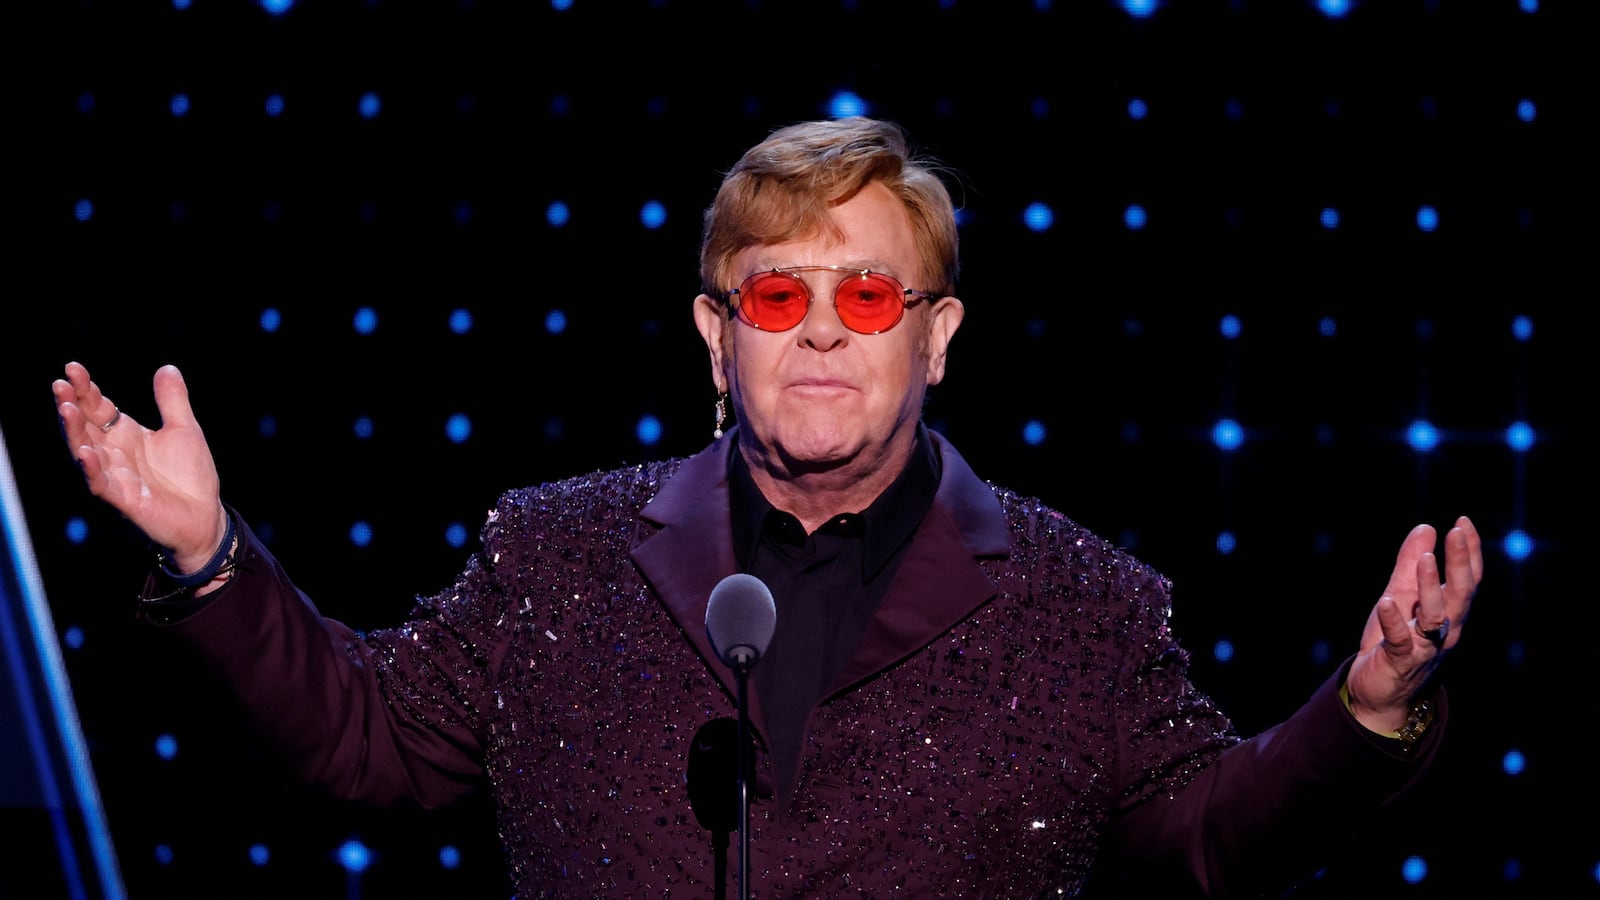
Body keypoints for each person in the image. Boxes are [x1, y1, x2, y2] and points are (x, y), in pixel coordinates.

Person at [51, 116, 1481, 899]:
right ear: (712, 335)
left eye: (866, 293)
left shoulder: (1083, 601)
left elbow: (1206, 840)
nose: (817, 330)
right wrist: (210, 556)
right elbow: (371, 744)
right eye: (774, 294)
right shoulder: (552, 552)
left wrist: (1362, 716)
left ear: (936, 335)